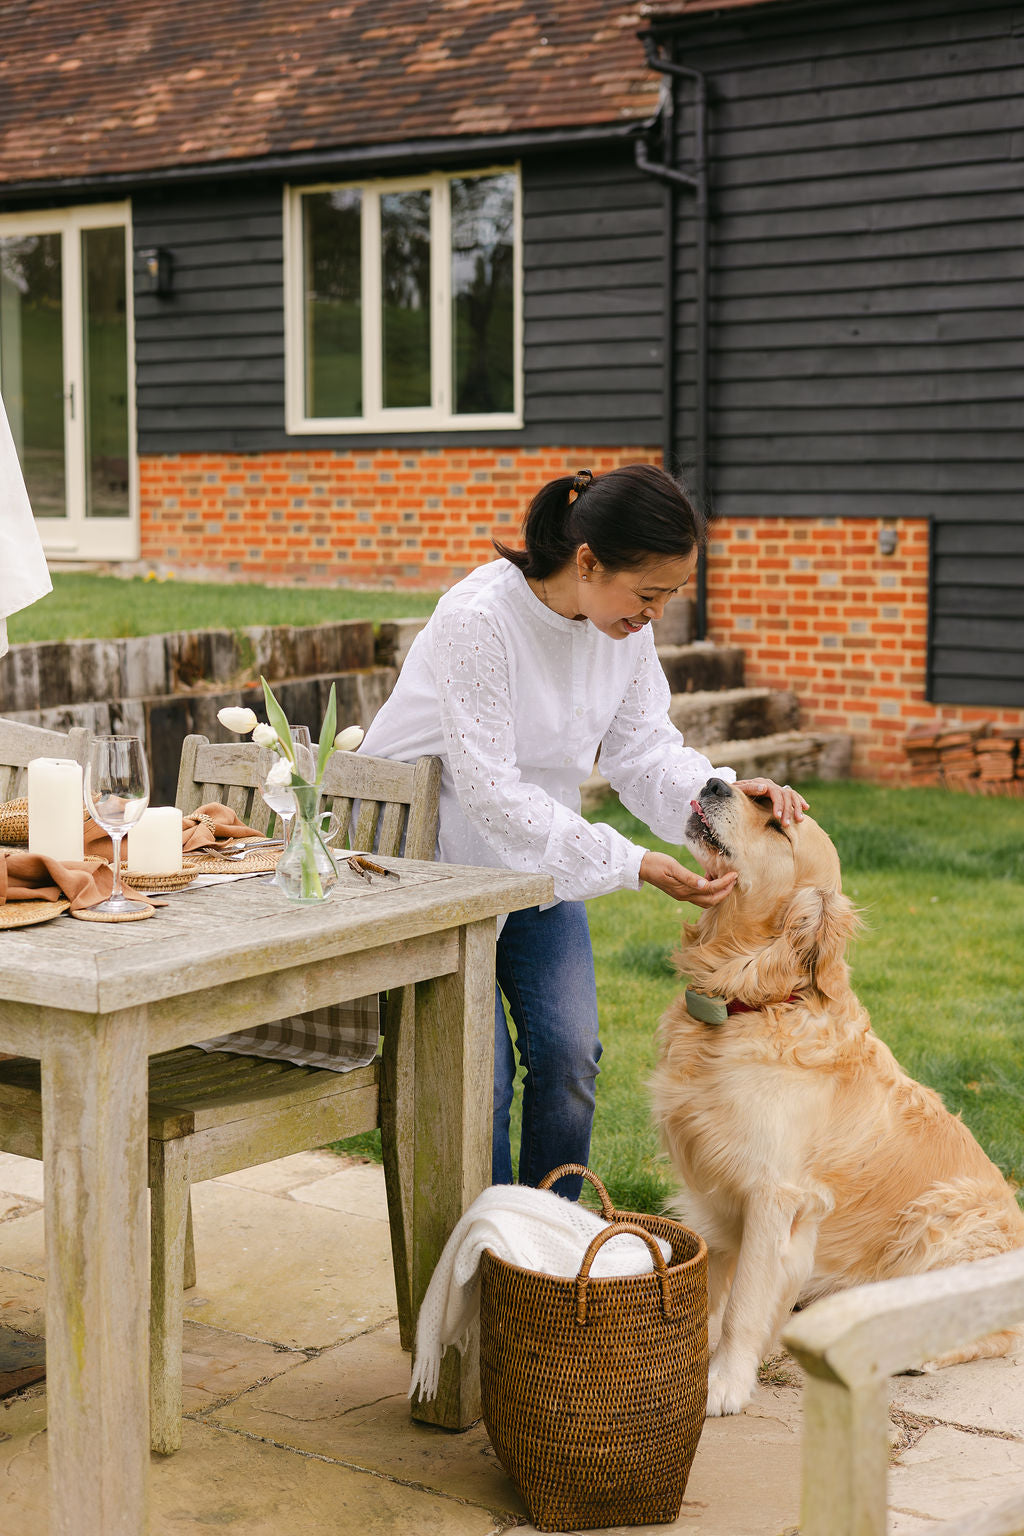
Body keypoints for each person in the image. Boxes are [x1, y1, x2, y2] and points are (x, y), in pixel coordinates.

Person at [360, 463, 806, 1197]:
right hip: (434, 867)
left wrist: (722, 799)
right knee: (483, 1081)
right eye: (649, 593)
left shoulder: (619, 628)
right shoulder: (477, 620)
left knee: (571, 1058)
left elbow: (644, 749)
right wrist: (635, 863)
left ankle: (556, 1244)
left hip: (540, 863)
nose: (655, 614)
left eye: (669, 597)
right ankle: (493, 1263)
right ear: (589, 561)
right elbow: (492, 794)